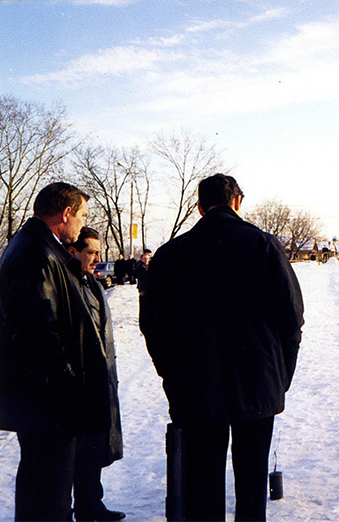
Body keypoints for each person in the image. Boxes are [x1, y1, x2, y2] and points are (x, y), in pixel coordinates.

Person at [140, 173, 304, 521]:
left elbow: (152, 325)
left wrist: (171, 373)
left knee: (201, 487)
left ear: (199, 207)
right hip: (258, 383)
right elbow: (291, 318)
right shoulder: (263, 245)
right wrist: (280, 376)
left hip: (195, 386)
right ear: (238, 202)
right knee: (251, 486)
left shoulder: (170, 255)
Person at [0, 182, 116, 521]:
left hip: (43, 403)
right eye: (81, 216)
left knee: (48, 489)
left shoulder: (35, 248)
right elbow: (38, 335)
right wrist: (70, 385)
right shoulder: (37, 254)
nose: (81, 224)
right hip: (48, 405)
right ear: (65, 214)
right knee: (48, 494)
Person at [65, 227, 125, 521]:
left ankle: (91, 503)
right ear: (73, 251)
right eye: (91, 252)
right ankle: (71, 507)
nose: (97, 259)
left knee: (93, 446)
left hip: (100, 379)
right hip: (80, 381)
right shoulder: (68, 284)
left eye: (98, 253)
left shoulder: (93, 284)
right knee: (74, 451)